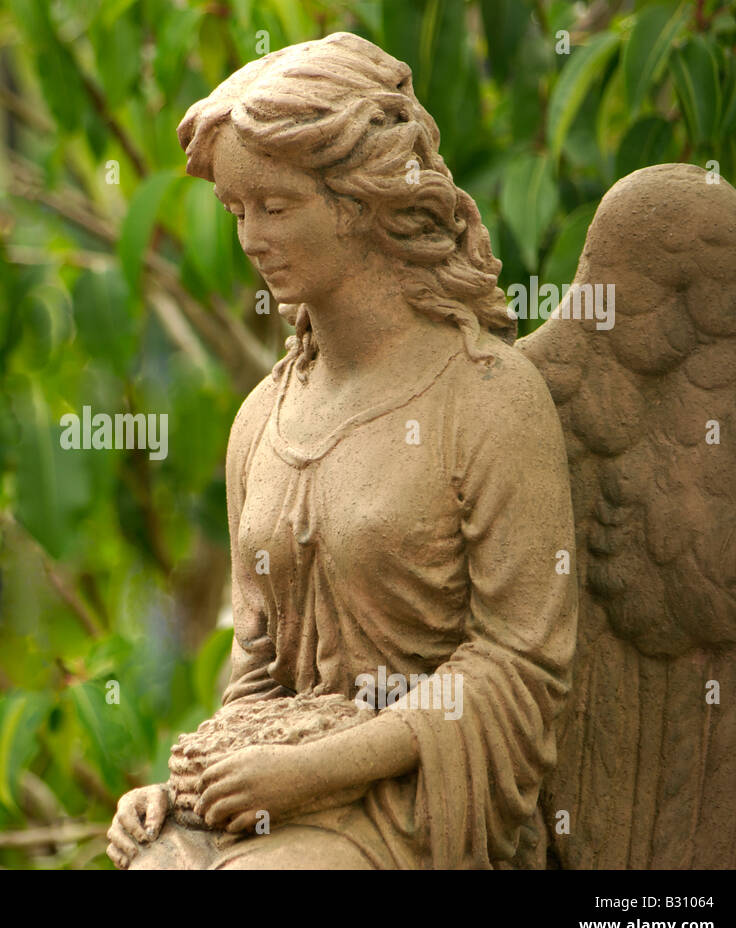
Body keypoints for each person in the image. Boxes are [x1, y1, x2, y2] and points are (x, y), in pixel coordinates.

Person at [107, 32, 577, 870]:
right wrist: (182, 793)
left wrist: (313, 773)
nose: (250, 237)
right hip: (276, 783)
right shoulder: (263, 419)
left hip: (419, 806)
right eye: (235, 210)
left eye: (276, 206)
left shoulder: (487, 397)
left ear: (362, 202)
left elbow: (519, 669)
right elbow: (257, 672)